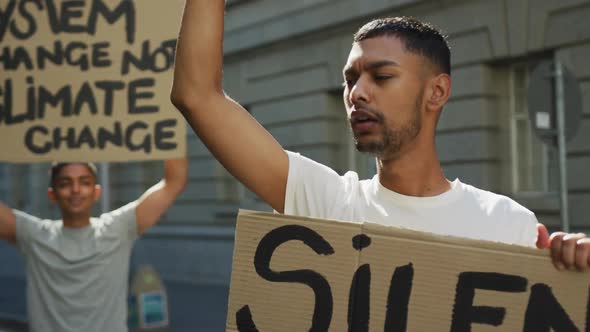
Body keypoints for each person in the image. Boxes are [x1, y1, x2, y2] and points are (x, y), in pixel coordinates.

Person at [170, 0, 589, 271]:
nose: (357, 93)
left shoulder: (507, 225)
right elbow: (197, 96)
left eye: (381, 76)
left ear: (437, 91)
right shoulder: (328, 204)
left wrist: (578, 275)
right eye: (349, 79)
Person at [0, 158, 187, 332]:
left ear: (96, 192)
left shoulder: (119, 228)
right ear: (52, 194)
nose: (75, 189)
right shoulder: (33, 235)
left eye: (84, 182)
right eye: (65, 183)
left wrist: (170, 129)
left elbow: (173, 183)